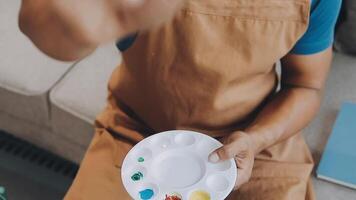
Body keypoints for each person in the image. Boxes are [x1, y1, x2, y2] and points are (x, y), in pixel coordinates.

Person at [19, 0, 341, 199]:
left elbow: (306, 87)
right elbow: (43, 23)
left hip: (258, 145)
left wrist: (256, 139)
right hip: (136, 134)